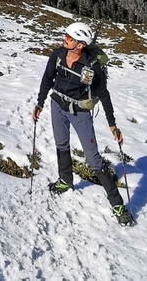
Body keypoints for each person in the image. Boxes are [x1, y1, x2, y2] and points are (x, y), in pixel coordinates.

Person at [31, 21, 135, 226]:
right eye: (66, 36)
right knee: (61, 144)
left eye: (69, 38)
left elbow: (104, 95)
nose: (64, 39)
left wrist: (112, 124)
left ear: (80, 44)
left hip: (80, 112)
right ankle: (65, 181)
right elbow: (47, 79)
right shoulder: (57, 55)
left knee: (94, 159)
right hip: (57, 105)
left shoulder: (92, 67)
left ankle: (117, 204)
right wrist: (40, 103)